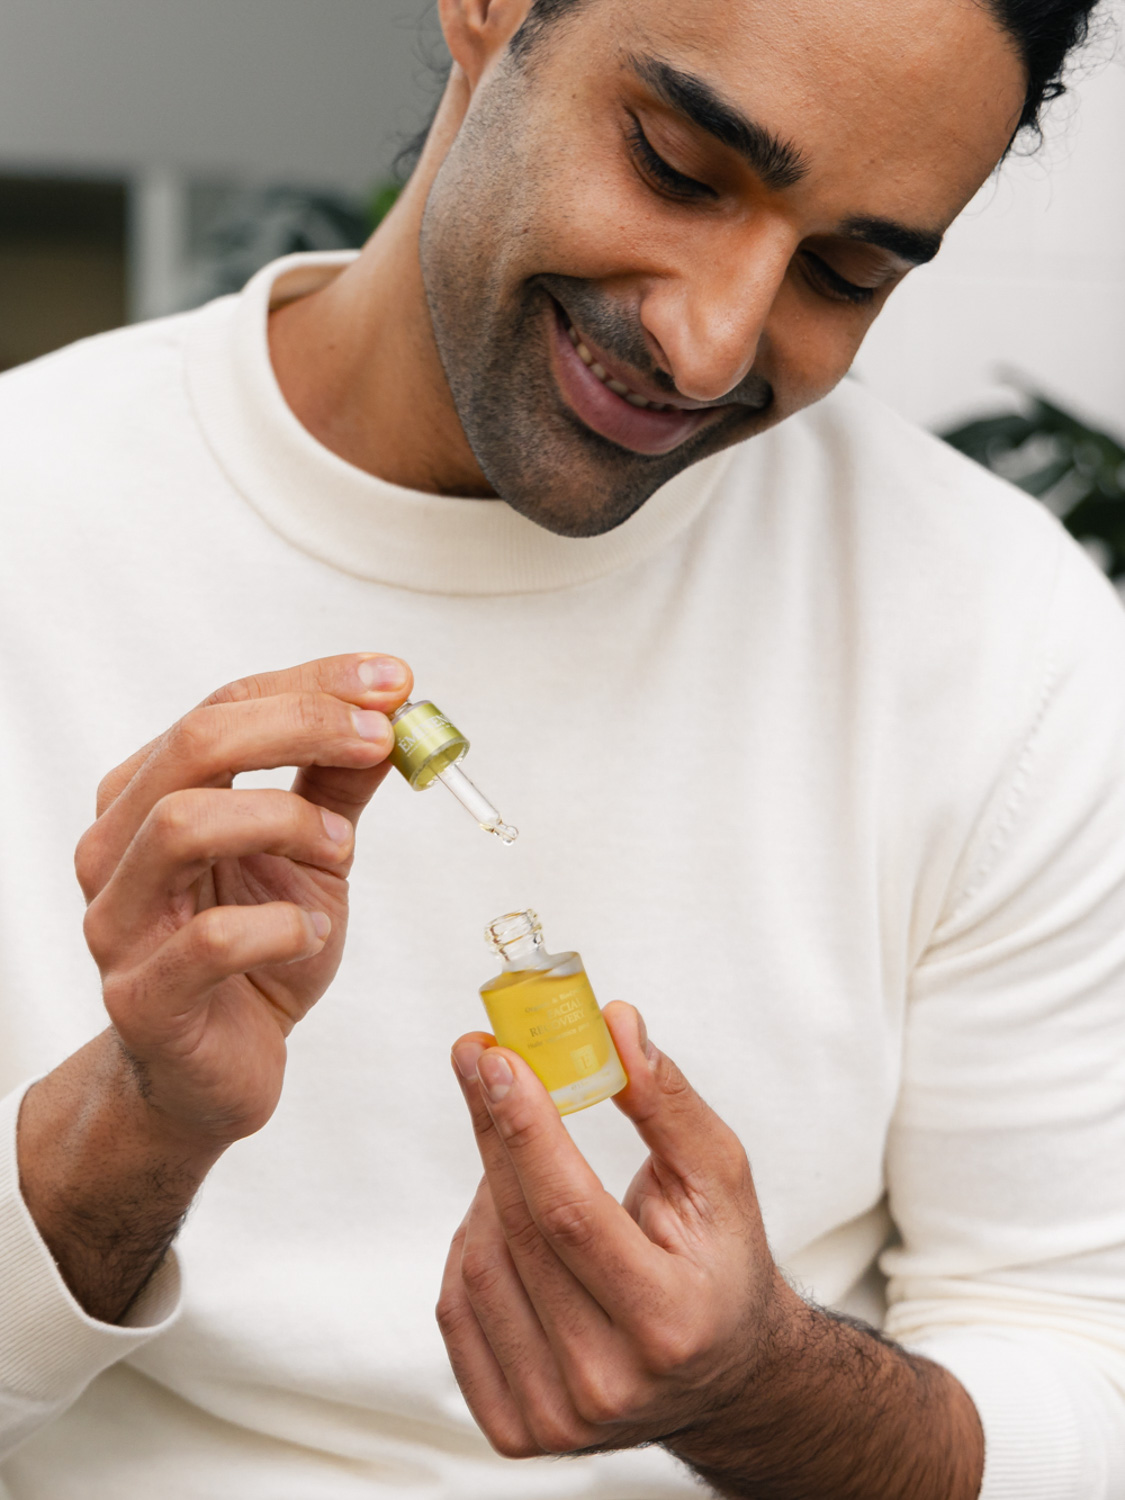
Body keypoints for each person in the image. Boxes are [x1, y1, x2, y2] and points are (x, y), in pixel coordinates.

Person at [0, 0, 1120, 1494]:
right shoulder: (33, 517)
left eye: (843, 273)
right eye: (674, 164)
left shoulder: (995, 631)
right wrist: (130, 1131)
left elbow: (1076, 1365)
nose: (710, 339)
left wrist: (755, 1392)